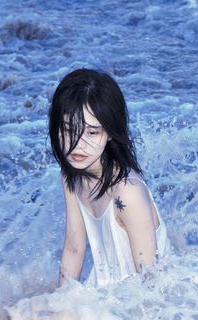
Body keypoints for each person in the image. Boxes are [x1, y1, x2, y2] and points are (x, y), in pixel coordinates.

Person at [49, 68, 169, 287]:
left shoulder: (127, 192)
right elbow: (74, 247)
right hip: (104, 291)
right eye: (68, 130)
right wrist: (60, 302)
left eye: (92, 132)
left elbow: (151, 280)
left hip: (140, 299)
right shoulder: (71, 176)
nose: (77, 144)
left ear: (111, 132)